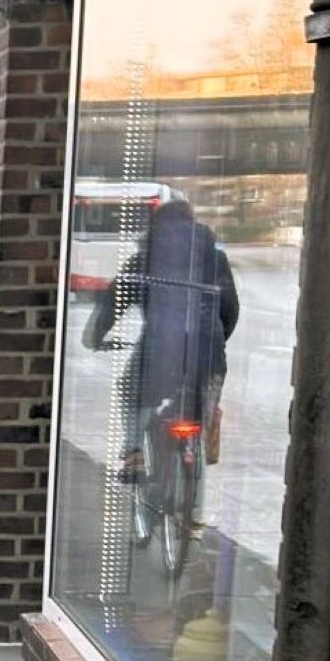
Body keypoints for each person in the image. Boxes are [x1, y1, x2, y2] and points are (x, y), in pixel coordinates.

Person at [83, 200, 239, 480]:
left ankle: (135, 457)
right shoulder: (216, 259)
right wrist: (214, 341)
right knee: (198, 405)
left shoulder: (144, 260)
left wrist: (93, 338)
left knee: (130, 390)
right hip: (210, 357)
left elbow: (111, 305)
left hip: (160, 353)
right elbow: (230, 309)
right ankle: (195, 454)